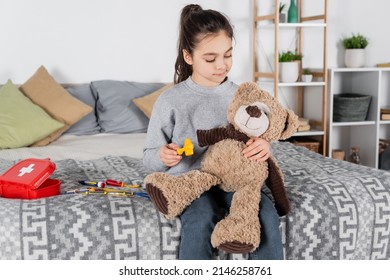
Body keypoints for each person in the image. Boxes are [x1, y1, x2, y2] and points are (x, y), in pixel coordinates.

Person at [143, 4, 283, 260]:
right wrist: (162, 156)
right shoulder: (171, 100)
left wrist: (264, 145)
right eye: (210, 58)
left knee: (265, 215)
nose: (222, 65)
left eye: (228, 55)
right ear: (188, 57)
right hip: (190, 181)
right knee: (201, 218)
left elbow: (261, 132)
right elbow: (148, 155)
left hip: (236, 180)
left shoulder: (244, 96)